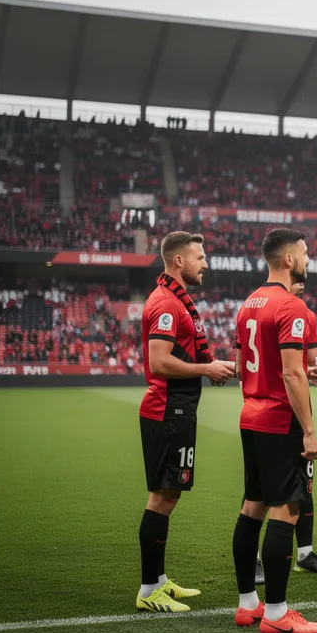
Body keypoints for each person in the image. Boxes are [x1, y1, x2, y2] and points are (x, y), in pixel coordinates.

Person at [232, 228, 317, 633]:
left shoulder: (248, 303)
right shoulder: (290, 306)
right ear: (288, 259)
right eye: (304, 252)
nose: (307, 258)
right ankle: (276, 614)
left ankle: (247, 605)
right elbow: (291, 372)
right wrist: (308, 430)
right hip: (279, 420)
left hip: (250, 415)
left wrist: (303, 374)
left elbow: (243, 369)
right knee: (286, 509)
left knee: (252, 505)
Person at [135, 231, 235, 613]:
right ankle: (148, 591)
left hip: (177, 410)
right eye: (200, 256)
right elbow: (159, 361)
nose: (205, 263)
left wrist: (215, 366)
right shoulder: (165, 304)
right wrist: (206, 368)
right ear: (179, 261)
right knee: (162, 497)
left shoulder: (176, 301)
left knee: (169, 496)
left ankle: (159, 580)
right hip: (166, 411)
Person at [254, 279, 317, 584]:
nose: (302, 281)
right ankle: (255, 560)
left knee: (304, 486)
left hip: (294, 410)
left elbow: (308, 363)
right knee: (262, 492)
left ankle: (305, 554)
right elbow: (284, 369)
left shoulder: (306, 315)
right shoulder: (272, 309)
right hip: (273, 412)